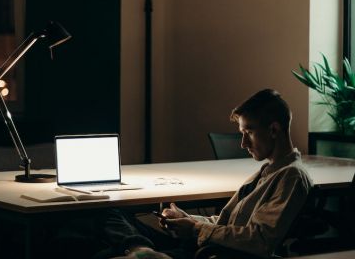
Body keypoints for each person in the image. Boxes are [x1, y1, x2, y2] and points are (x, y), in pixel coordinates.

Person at [47, 89, 312, 258]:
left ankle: (139, 249)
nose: (243, 144)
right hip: (203, 242)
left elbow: (260, 240)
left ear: (274, 130)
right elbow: (228, 222)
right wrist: (187, 218)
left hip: (211, 252)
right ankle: (141, 249)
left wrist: (196, 228)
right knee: (106, 210)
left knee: (96, 248)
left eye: (248, 132)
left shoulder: (290, 177)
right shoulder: (268, 171)